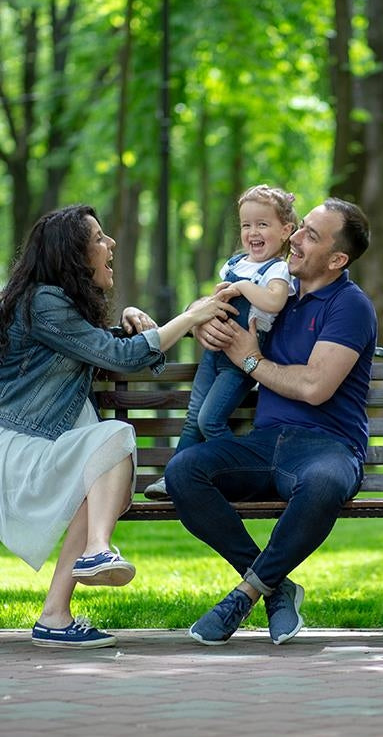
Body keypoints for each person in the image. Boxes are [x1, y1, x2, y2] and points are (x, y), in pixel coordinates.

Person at [0, 204, 235, 649]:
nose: (110, 244)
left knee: (103, 474)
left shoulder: (53, 306)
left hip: (36, 444)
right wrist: (191, 316)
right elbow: (119, 358)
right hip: (15, 446)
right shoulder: (44, 301)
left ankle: (55, 616)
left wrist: (127, 322)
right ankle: (96, 551)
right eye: (99, 239)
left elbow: (93, 345)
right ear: (73, 256)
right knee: (116, 438)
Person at [165, 197, 376, 646]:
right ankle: (275, 587)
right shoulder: (277, 292)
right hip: (264, 444)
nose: (295, 238)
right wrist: (204, 323)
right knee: (183, 471)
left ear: (337, 260)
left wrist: (251, 360)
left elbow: (315, 386)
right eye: (300, 228)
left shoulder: (350, 306)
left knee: (323, 484)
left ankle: (245, 595)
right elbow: (220, 299)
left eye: (310, 235)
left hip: (328, 447)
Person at [144, 185, 298, 499]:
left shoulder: (278, 269)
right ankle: (173, 476)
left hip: (240, 362)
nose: (253, 232)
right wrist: (207, 308)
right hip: (214, 354)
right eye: (246, 225)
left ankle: (239, 475)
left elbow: (274, 301)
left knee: (210, 420)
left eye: (262, 224)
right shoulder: (234, 264)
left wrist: (241, 288)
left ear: (285, 231)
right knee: (193, 419)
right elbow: (213, 303)